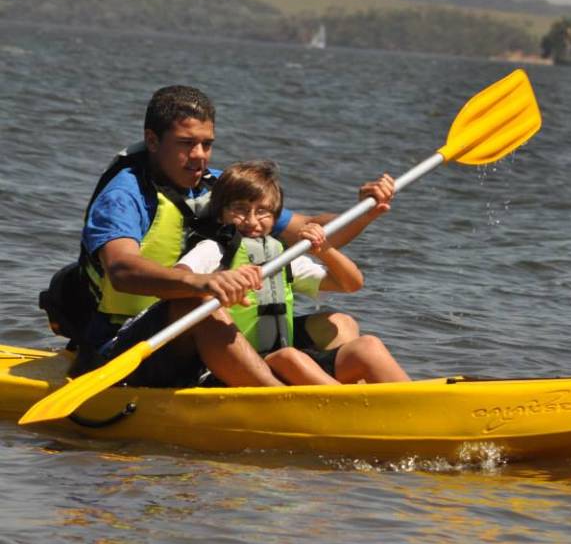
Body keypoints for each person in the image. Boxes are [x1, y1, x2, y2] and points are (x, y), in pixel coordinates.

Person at [72, 85, 395, 388]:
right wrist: (205, 284)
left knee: (338, 324)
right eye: (186, 143)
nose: (199, 155)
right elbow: (122, 270)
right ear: (153, 140)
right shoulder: (124, 196)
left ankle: (353, 398)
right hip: (127, 345)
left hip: (209, 338)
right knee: (196, 302)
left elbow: (314, 230)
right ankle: (281, 400)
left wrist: (365, 210)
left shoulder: (220, 190)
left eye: (207, 144)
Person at [176, 161, 409, 384]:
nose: (251, 221)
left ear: (276, 217)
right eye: (240, 210)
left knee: (367, 346)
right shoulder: (212, 250)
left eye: (263, 211)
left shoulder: (279, 256)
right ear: (220, 214)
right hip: (231, 370)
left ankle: (412, 400)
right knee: (288, 358)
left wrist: (324, 250)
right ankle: (353, 408)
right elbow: (179, 275)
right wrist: (216, 281)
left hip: (278, 364)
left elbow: (351, 284)